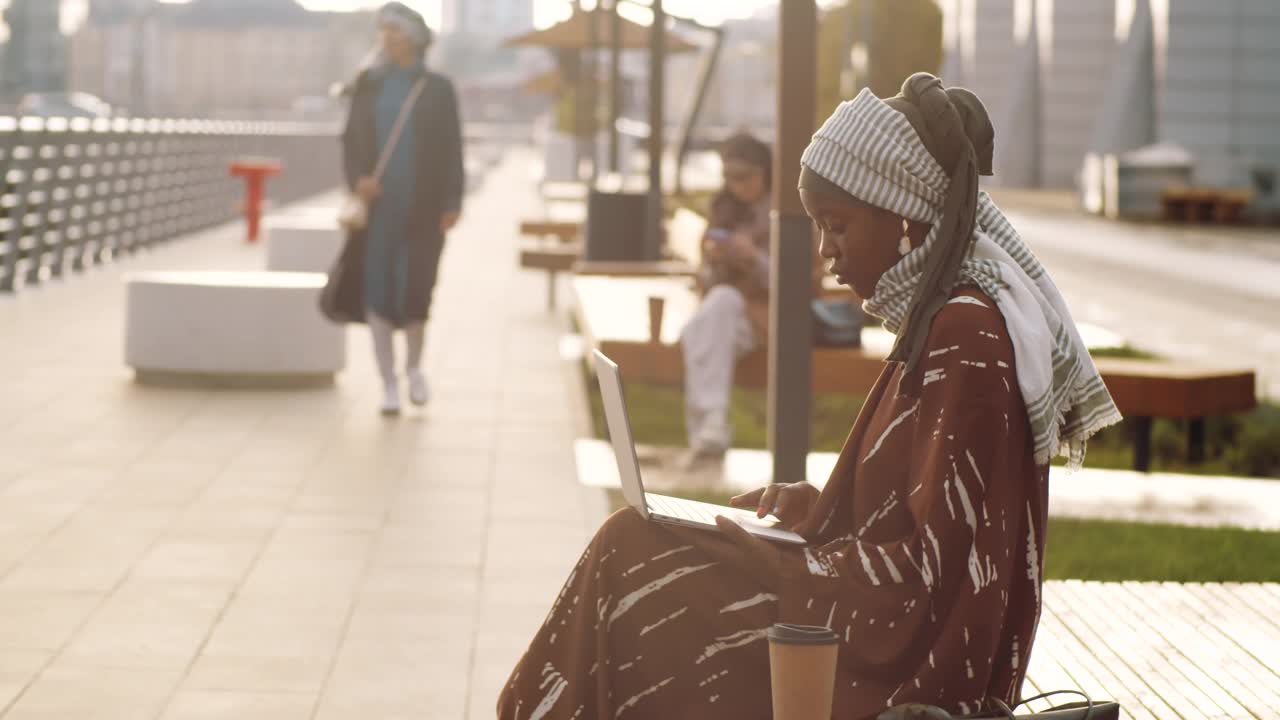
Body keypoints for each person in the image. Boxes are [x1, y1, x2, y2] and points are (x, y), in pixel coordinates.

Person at [496, 74, 1122, 719]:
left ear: (904, 214)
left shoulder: (965, 333)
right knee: (632, 544)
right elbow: (922, 522)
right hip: (867, 618)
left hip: (903, 663)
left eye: (839, 227)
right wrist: (819, 513)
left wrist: (794, 566)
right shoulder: (946, 319)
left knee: (632, 554)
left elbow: (933, 588)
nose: (826, 253)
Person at [328, 2, 464, 415]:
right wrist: (359, 181)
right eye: (382, 30)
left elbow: (452, 149)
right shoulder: (368, 85)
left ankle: (415, 369)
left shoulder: (438, 89)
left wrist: (453, 201)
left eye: (396, 30)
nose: (387, 37)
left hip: (423, 207)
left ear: (416, 38)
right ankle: (388, 382)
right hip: (378, 209)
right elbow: (350, 140)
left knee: (417, 288)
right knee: (378, 290)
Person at [679, 132, 773, 464]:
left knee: (703, 325)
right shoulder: (724, 208)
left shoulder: (787, 214)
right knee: (709, 319)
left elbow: (796, 282)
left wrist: (754, 259)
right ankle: (712, 422)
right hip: (731, 316)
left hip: (768, 317)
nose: (736, 185)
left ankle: (711, 422)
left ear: (765, 172)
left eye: (744, 177)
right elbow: (708, 276)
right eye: (729, 177)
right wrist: (715, 256)